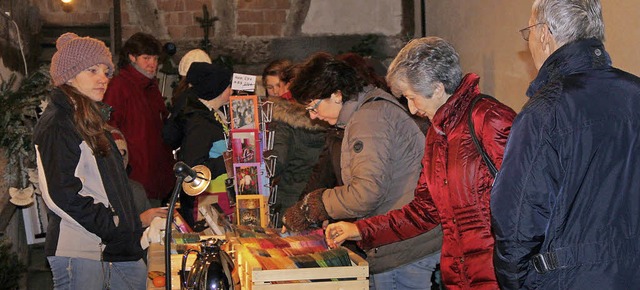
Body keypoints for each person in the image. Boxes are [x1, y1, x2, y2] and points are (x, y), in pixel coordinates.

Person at [325, 37, 516, 289]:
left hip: (497, 276)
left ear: (437, 88)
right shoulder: (438, 135)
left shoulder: (489, 119)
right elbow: (425, 210)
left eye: (412, 97)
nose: (412, 110)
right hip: (460, 276)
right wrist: (360, 230)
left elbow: (525, 204)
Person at [491, 0, 640, 289]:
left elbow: (517, 221)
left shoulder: (546, 110)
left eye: (529, 32)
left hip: (569, 279)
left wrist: (517, 284)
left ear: (545, 34)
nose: (530, 42)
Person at [282, 52, 443, 290]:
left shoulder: (368, 119)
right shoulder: (368, 111)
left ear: (336, 95)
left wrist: (316, 204)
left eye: (313, 107)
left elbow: (366, 192)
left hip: (403, 248)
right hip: (403, 238)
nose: (313, 116)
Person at [34, 33, 146, 289]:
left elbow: (108, 184)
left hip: (113, 244)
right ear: (69, 76)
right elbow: (61, 194)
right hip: (80, 246)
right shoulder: (58, 124)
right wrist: (112, 224)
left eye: (106, 71)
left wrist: (129, 224)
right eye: (92, 70)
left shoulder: (90, 119)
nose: (102, 78)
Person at [103, 32, 175, 204]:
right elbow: (109, 129)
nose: (153, 64)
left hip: (156, 172)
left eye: (156, 59)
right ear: (132, 57)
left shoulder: (150, 86)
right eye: (146, 58)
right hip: (136, 174)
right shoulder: (119, 87)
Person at [163, 62, 234, 227]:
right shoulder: (201, 124)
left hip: (220, 195)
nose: (231, 91)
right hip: (208, 202)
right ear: (217, 90)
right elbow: (193, 168)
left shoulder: (213, 116)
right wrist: (230, 159)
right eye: (228, 86)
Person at [264, 58, 328, 228]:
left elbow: (276, 163)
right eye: (271, 87)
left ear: (291, 84)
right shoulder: (324, 115)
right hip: (317, 200)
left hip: (288, 199)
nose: (277, 91)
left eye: (280, 85)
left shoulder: (283, 118)